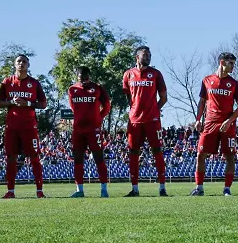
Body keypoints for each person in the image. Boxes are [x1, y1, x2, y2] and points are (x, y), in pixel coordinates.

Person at [0, 54, 48, 198]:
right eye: (19, 61)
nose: (21, 64)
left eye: (24, 61)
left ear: (28, 65)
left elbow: (43, 104)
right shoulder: (7, 82)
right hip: (12, 126)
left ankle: (39, 191)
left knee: (34, 157)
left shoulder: (34, 83)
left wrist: (28, 103)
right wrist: (12, 102)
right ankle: (10, 191)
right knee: (11, 158)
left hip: (29, 126)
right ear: (14, 64)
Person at [193, 52, 238, 196]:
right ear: (222, 62)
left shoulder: (234, 84)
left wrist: (230, 120)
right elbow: (202, 102)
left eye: (233, 63)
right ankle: (199, 188)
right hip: (209, 123)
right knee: (201, 154)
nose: (233, 66)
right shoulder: (207, 80)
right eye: (231, 63)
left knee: (230, 156)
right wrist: (198, 119)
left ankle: (227, 189)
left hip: (227, 125)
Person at [122, 46, 170, 197]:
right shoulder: (128, 74)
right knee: (133, 153)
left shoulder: (156, 74)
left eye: (149, 54)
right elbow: (128, 98)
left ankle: (162, 188)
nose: (148, 57)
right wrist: (135, 109)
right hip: (134, 121)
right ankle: (134, 189)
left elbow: (163, 98)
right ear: (137, 57)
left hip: (152, 120)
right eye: (145, 54)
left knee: (157, 151)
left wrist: (154, 110)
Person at [67, 65, 112, 197]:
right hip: (78, 130)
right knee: (78, 159)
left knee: (99, 158)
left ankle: (104, 190)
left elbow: (107, 106)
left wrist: (99, 118)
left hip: (94, 129)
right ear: (77, 77)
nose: (83, 81)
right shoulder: (72, 89)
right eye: (81, 79)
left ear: (89, 76)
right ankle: (79, 190)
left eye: (86, 78)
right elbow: (73, 107)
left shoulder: (98, 88)